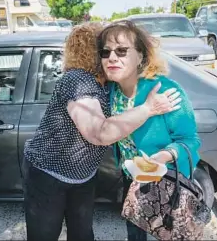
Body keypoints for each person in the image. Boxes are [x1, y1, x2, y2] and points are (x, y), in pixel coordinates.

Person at [21, 22, 182, 241]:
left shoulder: (106, 84)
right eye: (106, 49)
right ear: (95, 51)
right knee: (44, 236)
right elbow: (100, 134)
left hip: (82, 176)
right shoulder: (78, 79)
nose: (112, 56)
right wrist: (148, 109)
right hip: (48, 175)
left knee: (83, 234)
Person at [98, 20, 201, 241]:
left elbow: (189, 140)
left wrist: (162, 157)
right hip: (132, 177)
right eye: (105, 52)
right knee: (135, 233)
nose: (112, 58)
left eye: (122, 50)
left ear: (141, 57)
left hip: (167, 181)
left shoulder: (165, 90)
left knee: (172, 234)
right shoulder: (112, 92)